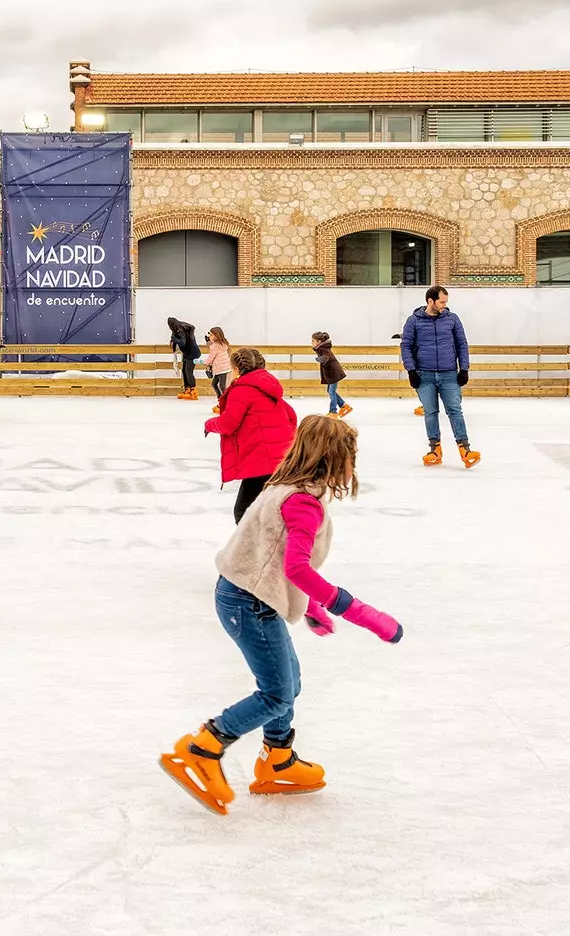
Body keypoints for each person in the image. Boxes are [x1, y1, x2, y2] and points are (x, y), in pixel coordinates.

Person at [159, 414, 403, 816]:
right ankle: (202, 748)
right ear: (334, 457)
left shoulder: (286, 486)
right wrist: (358, 611)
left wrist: (307, 606)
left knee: (290, 683)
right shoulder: (303, 503)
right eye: (350, 456)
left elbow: (271, 556)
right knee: (276, 693)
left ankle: (278, 760)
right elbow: (297, 568)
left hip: (249, 596)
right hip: (248, 602)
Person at [205, 347, 298, 523]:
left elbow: (228, 423)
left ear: (238, 369)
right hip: (282, 458)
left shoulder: (242, 390)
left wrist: (209, 425)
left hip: (261, 460)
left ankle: (255, 548)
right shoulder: (270, 387)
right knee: (267, 510)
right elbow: (291, 416)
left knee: (243, 511)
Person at [401, 286, 480, 468]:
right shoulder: (413, 321)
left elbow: (462, 344)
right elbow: (405, 347)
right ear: (430, 301)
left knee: (455, 411)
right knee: (430, 413)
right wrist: (411, 371)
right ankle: (434, 449)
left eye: (446, 302)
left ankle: (465, 449)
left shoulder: (452, 319)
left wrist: (464, 369)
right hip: (424, 374)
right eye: (442, 302)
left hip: (449, 374)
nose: (445, 305)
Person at [313, 331, 351, 418]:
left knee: (331, 392)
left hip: (334, 373)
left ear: (318, 342)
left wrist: (320, 359)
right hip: (332, 373)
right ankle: (344, 406)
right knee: (330, 391)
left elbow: (326, 357)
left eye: (313, 341)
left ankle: (333, 412)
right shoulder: (321, 348)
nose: (311, 343)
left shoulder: (323, 349)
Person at [167, 317, 201, 400]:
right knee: (184, 371)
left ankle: (193, 391)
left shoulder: (180, 331)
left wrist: (173, 338)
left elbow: (182, 342)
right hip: (188, 353)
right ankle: (187, 389)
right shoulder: (180, 327)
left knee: (188, 372)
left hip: (193, 353)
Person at [202, 327, 231, 414]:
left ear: (216, 336)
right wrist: (209, 342)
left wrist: (205, 363)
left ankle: (224, 403)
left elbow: (211, 357)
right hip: (224, 367)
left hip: (221, 368)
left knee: (221, 386)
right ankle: (221, 400)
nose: (209, 336)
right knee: (215, 384)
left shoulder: (214, 346)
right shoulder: (223, 343)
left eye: (211, 334)